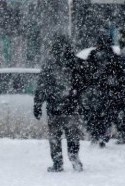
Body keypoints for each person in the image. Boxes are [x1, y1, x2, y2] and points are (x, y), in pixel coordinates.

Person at [33, 34, 83, 172]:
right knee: (72, 135)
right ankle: (74, 158)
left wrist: (37, 104)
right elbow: (82, 85)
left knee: (55, 137)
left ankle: (57, 162)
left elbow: (42, 86)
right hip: (71, 107)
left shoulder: (49, 64)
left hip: (54, 107)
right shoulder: (75, 62)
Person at [84, 35, 123, 147]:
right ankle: (103, 135)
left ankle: (95, 135)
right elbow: (120, 76)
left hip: (95, 91)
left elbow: (86, 72)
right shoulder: (114, 57)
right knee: (107, 115)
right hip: (110, 91)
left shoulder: (93, 55)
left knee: (94, 115)